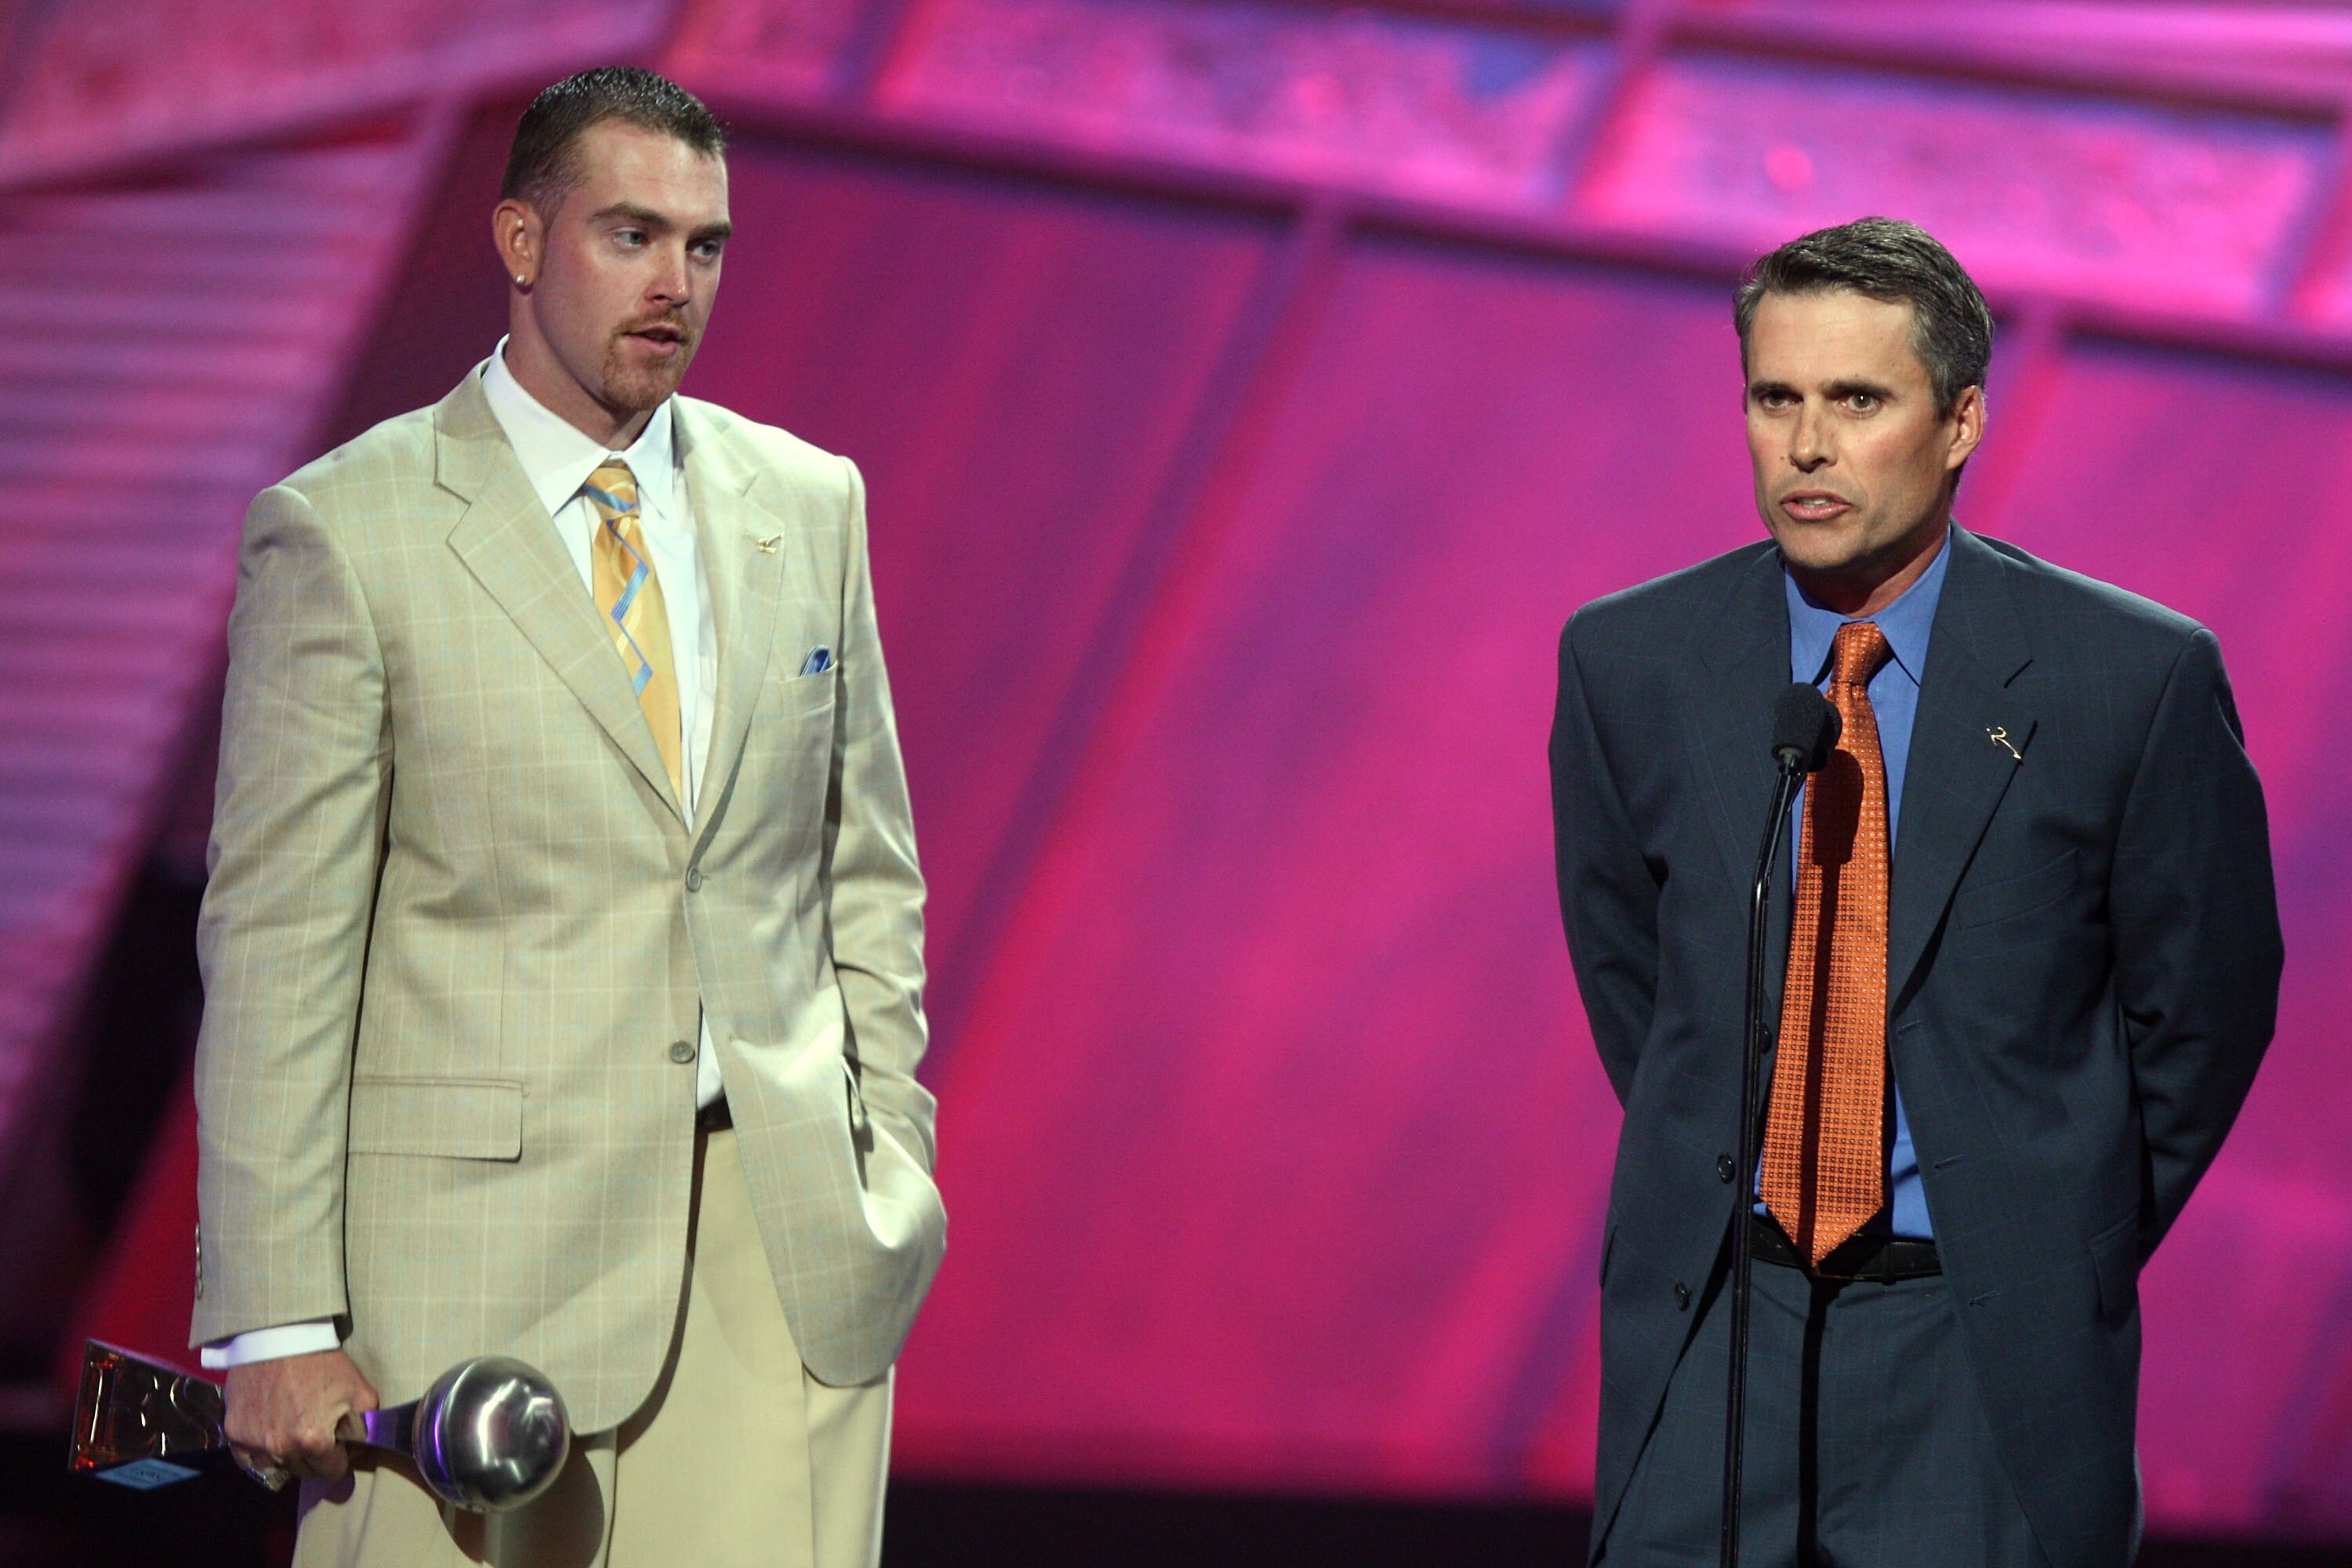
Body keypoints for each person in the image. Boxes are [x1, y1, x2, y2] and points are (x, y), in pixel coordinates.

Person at [191, 66, 943, 1567]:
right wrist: (276, 1317)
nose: (676, 284)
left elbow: (864, 872)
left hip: (778, 1260)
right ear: (523, 242)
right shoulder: (350, 531)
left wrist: (890, 1161)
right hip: (460, 1302)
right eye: (632, 235)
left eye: (706, 245)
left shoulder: (807, 500)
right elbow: (281, 946)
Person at [1549, 217, 2281, 1567]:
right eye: (1777, 398)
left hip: (1980, 1350)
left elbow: (2207, 1011)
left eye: (1857, 400)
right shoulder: (1630, 662)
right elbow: (1639, 991)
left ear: (1959, 423)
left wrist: (2053, 1221)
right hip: (1719, 1329)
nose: (1808, 446)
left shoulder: (2127, 679)